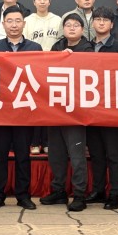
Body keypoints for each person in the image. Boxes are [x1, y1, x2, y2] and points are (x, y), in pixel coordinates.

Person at [0, 6, 42, 210]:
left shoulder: (35, 48)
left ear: (24, 23)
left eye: (18, 21)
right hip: (0, 112)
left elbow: (39, 77)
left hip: (24, 111)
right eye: (10, 21)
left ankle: (23, 195)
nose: (14, 25)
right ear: (3, 24)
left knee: (23, 155)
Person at [40, 13, 92, 212]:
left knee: (77, 155)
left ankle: (79, 195)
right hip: (56, 109)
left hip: (76, 111)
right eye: (68, 25)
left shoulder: (87, 49)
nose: (71, 28)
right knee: (56, 154)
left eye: (76, 25)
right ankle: (58, 190)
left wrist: (72, 60)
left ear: (82, 29)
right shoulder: (57, 47)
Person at [85, 6, 118, 210]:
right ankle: (98, 191)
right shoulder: (85, 48)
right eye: (98, 19)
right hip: (90, 109)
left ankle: (115, 194)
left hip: (111, 109)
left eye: (105, 20)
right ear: (92, 23)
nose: (101, 23)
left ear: (112, 24)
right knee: (96, 153)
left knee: (113, 154)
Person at [23, 0, 61, 154]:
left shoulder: (58, 20)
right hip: (33, 67)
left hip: (53, 68)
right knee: (34, 105)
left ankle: (47, 142)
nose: (42, 1)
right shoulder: (27, 21)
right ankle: (34, 143)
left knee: (49, 106)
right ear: (34, 1)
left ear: (50, 1)